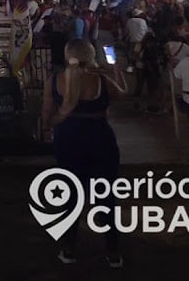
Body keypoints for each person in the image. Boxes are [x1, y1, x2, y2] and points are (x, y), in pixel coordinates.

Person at [41, 38, 127, 269]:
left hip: (68, 139)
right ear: (90, 56)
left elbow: (46, 115)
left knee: (71, 195)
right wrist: (116, 71)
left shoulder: (54, 81)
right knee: (106, 194)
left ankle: (69, 248)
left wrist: (51, 127)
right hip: (100, 138)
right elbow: (123, 95)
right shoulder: (101, 81)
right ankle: (113, 251)